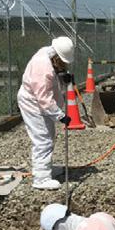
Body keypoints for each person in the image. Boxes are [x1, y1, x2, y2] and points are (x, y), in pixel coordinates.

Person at [17, 37, 74, 190]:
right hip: (33, 104)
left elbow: (51, 82)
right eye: (62, 62)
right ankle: (41, 178)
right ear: (57, 57)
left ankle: (45, 167)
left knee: (49, 135)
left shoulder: (48, 55)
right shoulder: (42, 66)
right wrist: (60, 115)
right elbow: (43, 97)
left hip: (40, 104)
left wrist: (61, 77)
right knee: (43, 140)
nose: (64, 65)